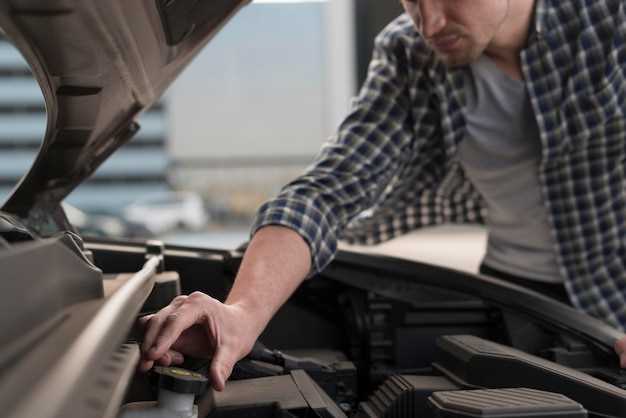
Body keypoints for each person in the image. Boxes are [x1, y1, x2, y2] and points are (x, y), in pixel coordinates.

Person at [140, 0, 626, 390]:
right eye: (412, 0)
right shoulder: (410, 52)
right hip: (514, 295)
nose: (429, 22)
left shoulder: (609, 19)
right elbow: (326, 192)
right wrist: (241, 314)